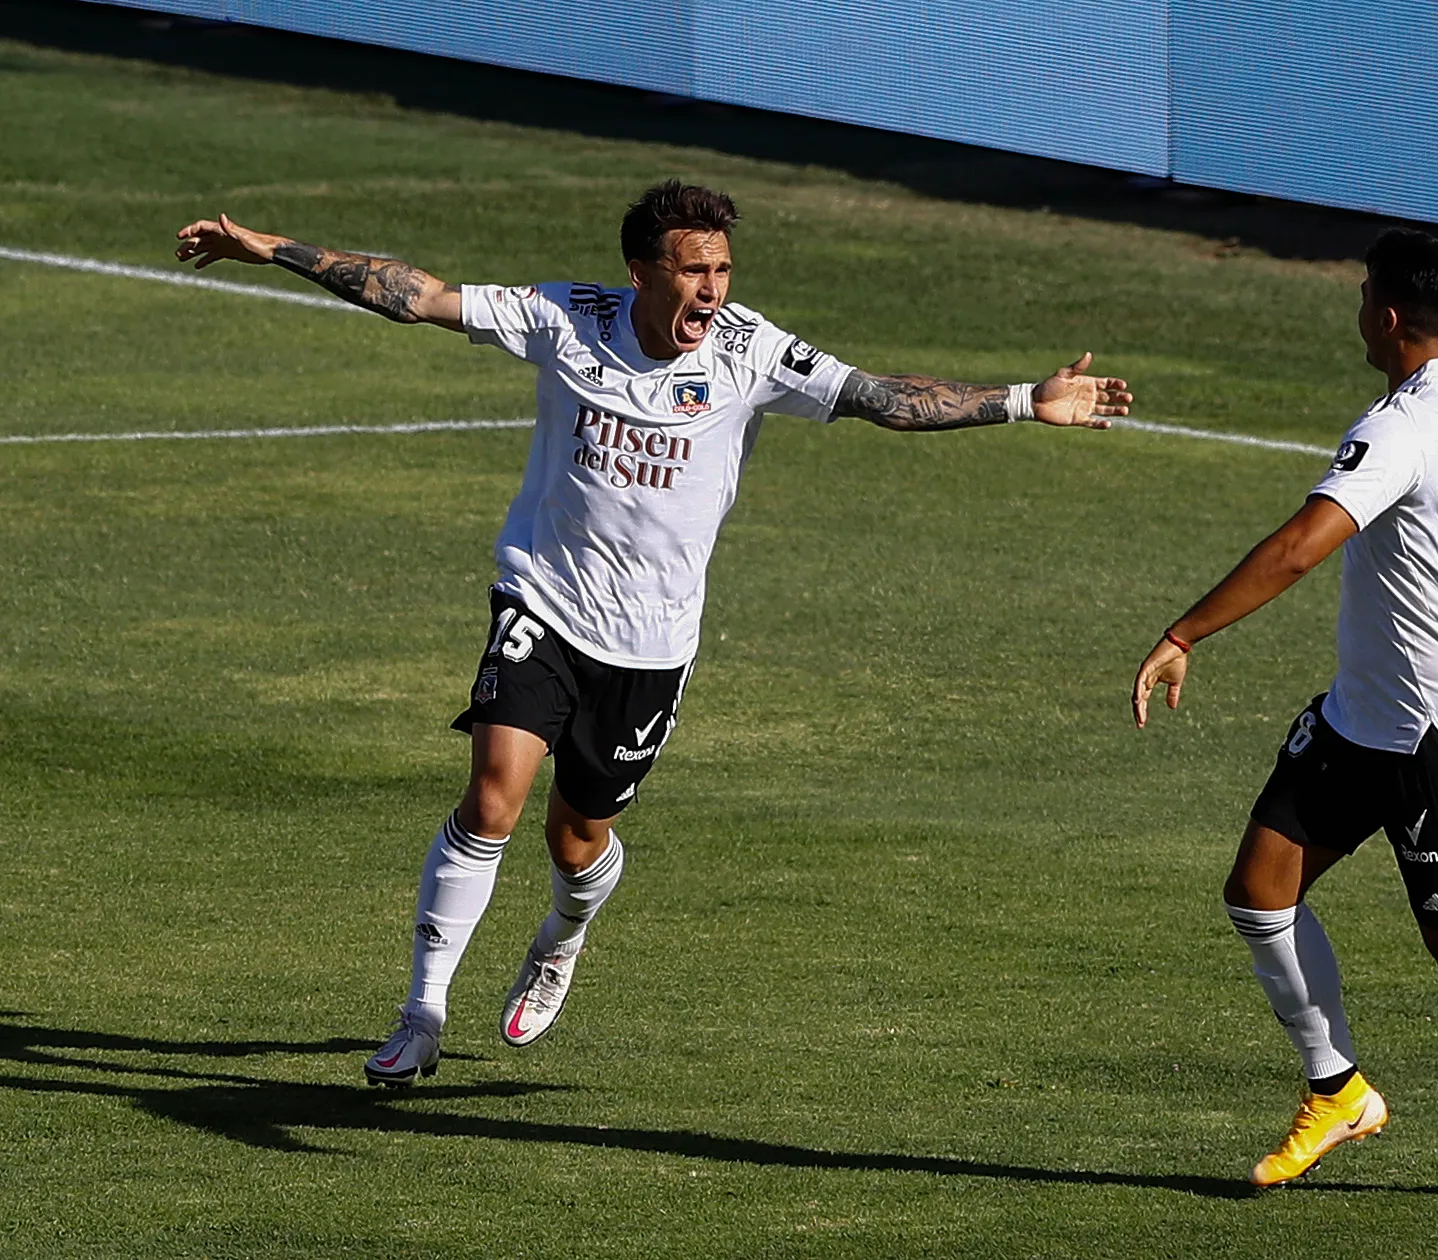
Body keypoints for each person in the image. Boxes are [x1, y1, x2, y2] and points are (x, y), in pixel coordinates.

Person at [174, 179, 1131, 1087]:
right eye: (693, 271)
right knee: (495, 795)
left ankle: (560, 938)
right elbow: (415, 294)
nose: (711, 290)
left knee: (577, 835)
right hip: (543, 601)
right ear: (644, 271)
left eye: (721, 271)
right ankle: (422, 1016)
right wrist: (271, 249)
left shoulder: (752, 351)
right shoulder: (566, 318)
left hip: (651, 644)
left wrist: (1020, 401)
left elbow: (881, 397)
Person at [1130, 228, 1438, 1207]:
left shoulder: (1400, 429)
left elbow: (1296, 549)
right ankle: (1337, 1089)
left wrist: (1185, 631)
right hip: (1365, 717)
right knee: (1259, 890)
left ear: (1391, 317)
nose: (1359, 308)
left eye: (1365, 294)